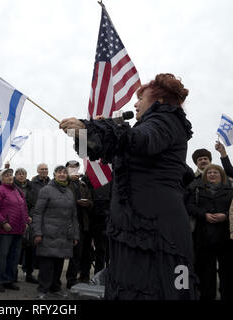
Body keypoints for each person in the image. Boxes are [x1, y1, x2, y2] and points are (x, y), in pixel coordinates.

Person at [59, 73, 197, 299]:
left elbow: (140, 140)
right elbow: (99, 150)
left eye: (141, 99)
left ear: (159, 102)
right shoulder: (147, 125)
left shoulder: (166, 120)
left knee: (163, 287)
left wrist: (94, 128)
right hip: (137, 226)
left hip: (157, 227)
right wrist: (90, 131)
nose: (135, 103)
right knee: (132, 285)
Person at [186, 164, 233, 300]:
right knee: (206, 274)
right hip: (204, 237)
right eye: (209, 172)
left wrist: (225, 215)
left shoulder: (230, 189)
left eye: (215, 172)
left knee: (228, 273)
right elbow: (189, 205)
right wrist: (204, 214)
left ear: (221, 175)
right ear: (205, 176)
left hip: (226, 238)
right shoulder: (197, 189)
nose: (212, 174)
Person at [32, 165, 79, 300]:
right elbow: (38, 213)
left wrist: (75, 234)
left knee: (59, 263)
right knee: (47, 264)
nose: (62, 175)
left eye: (64, 173)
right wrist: (37, 232)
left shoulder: (70, 192)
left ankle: (55, 288)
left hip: (65, 234)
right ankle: (42, 290)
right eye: (59, 172)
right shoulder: (46, 190)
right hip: (48, 233)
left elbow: (74, 216)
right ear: (54, 174)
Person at [0, 168, 30, 293]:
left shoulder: (18, 190)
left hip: (18, 229)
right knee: (2, 256)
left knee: (14, 257)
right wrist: (3, 222)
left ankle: (9, 280)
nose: (9, 177)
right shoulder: (0, 190)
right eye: (6, 175)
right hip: (5, 230)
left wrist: (25, 221)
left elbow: (24, 207)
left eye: (10, 175)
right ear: (1, 178)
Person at [64, 160, 93, 288]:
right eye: (71, 167)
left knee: (79, 253)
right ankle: (59, 281)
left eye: (76, 167)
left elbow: (91, 201)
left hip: (82, 223)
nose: (73, 169)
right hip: (67, 223)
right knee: (64, 254)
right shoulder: (63, 182)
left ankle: (73, 279)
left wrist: (88, 203)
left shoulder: (83, 185)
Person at [13, 167, 37, 284]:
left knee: (30, 248)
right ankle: (13, 273)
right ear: (15, 175)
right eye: (19, 174)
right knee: (16, 249)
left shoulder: (31, 187)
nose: (21, 176)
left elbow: (33, 204)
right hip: (16, 220)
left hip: (29, 221)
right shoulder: (12, 186)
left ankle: (29, 273)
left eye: (23, 174)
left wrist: (30, 216)